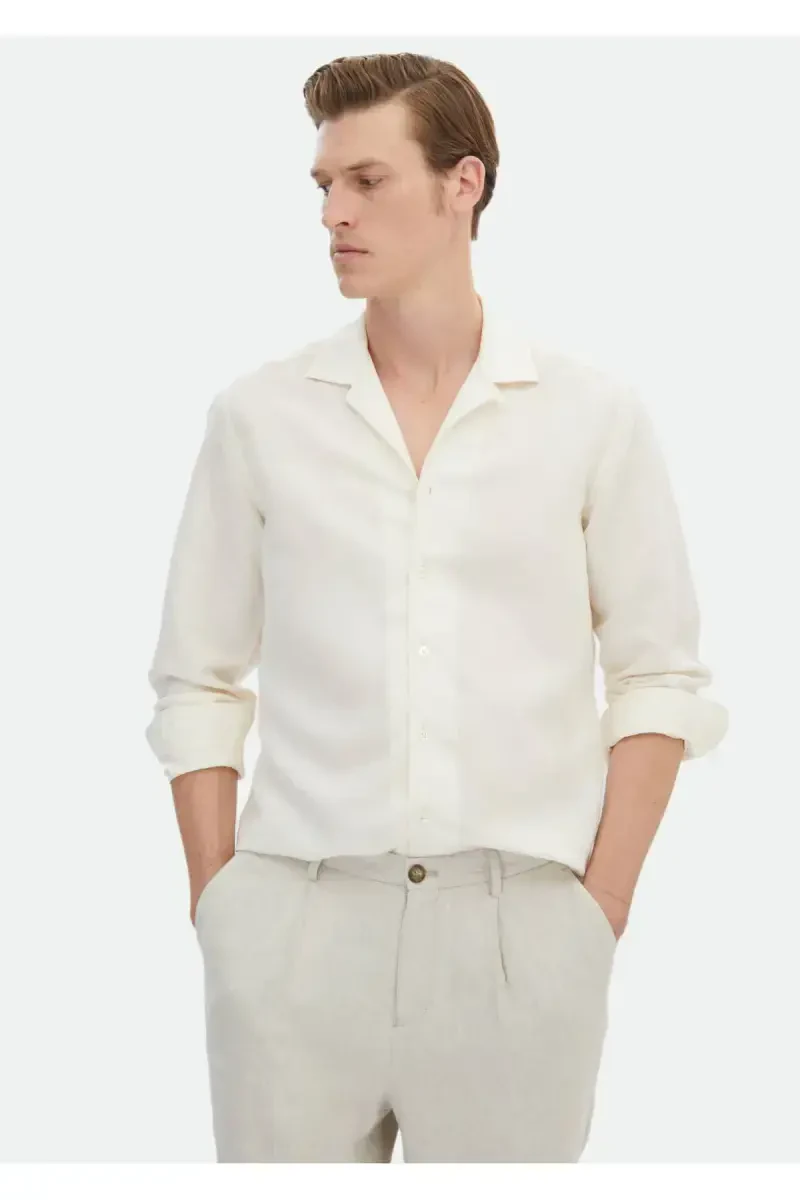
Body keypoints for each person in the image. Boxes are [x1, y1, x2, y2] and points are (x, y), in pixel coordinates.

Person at [145, 51, 728, 1163]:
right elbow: (197, 678)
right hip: (294, 929)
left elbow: (657, 673)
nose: (333, 213)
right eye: (324, 185)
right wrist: (220, 906)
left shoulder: (589, 417)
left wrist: (594, 910)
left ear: (464, 184)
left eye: (366, 181)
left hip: (519, 935)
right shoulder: (260, 417)